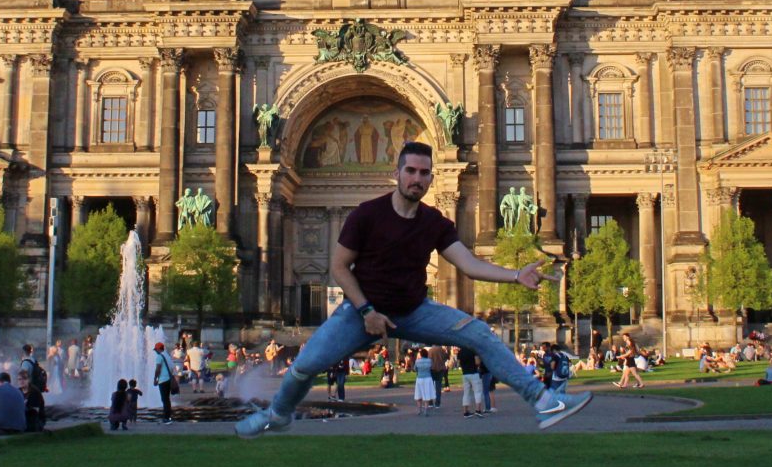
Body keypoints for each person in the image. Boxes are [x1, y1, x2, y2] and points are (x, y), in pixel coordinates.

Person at [236, 141, 590, 438]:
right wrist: (366, 311)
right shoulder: (366, 215)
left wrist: (516, 275)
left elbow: (468, 264)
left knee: (480, 333)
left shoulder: (434, 222)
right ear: (398, 173)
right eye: (411, 171)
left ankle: (545, 402)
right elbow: (339, 268)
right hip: (362, 313)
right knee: (305, 365)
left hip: (415, 311)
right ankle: (278, 415)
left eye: (424, 173)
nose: (417, 179)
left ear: (431, 178)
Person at [153, 341, 178, 424]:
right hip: (168, 380)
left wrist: (155, 378)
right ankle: (168, 416)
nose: (155, 351)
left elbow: (158, 369)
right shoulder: (167, 355)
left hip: (163, 380)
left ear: (159, 349)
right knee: (167, 399)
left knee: (164, 399)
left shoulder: (159, 357)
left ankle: (166, 418)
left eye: (156, 349)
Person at [457, 346, 484, 418]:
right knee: (477, 392)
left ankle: (465, 411)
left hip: (465, 374)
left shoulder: (460, 352)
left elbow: (459, 363)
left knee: (466, 393)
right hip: (474, 373)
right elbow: (477, 362)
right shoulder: (473, 350)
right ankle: (478, 410)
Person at [412, 348, 436, 415]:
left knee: (418, 394)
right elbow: (432, 368)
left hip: (419, 378)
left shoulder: (417, 361)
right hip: (428, 378)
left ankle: (419, 410)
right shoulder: (429, 361)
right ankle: (426, 410)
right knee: (427, 394)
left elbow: (415, 369)